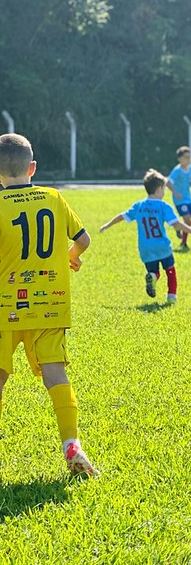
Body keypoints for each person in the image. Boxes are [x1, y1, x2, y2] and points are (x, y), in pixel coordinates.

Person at [0, 133, 96, 476]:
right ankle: (72, 444)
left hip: (5, 307)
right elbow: (83, 240)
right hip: (50, 303)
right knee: (56, 373)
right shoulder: (54, 198)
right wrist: (71, 257)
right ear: (33, 167)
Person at [100, 169, 191, 302]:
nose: (164, 192)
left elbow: (122, 216)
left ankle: (152, 275)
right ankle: (171, 295)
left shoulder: (139, 206)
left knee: (154, 271)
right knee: (170, 270)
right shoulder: (163, 206)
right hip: (162, 245)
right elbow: (176, 224)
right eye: (163, 189)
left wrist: (107, 225)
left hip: (145, 248)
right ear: (158, 190)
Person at [166, 146, 191, 249]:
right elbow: (168, 183)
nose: (188, 159)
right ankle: (183, 243)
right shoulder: (177, 170)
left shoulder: (190, 169)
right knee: (188, 220)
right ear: (179, 159)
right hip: (179, 200)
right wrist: (176, 193)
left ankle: (178, 226)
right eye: (185, 157)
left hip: (188, 198)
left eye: (189, 157)